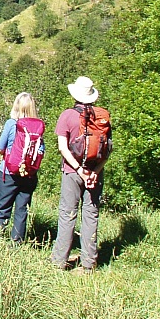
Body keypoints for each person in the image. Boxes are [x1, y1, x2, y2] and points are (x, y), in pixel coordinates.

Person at [51, 76, 110, 272]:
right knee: (91, 214)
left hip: (72, 171)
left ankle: (59, 261)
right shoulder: (102, 117)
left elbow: (62, 148)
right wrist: (94, 172)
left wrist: (79, 169)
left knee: (68, 214)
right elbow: (107, 150)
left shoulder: (67, 115)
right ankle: (89, 263)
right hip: (95, 172)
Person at [0, 92, 44, 243]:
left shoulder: (11, 123)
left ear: (16, 106)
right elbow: (41, 151)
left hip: (8, 172)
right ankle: (17, 243)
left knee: (2, 208)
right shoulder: (38, 126)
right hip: (29, 175)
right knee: (22, 210)